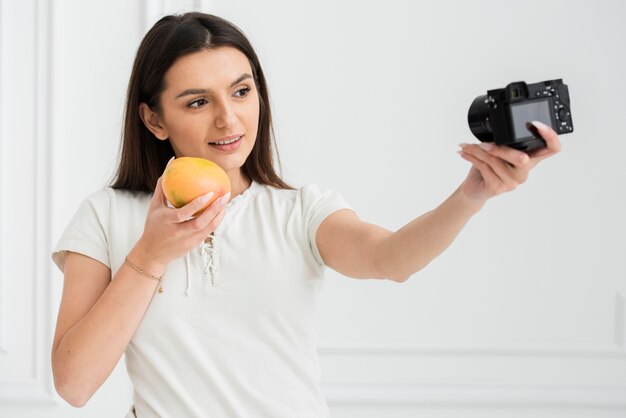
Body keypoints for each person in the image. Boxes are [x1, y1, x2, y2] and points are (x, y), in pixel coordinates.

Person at [50, 12, 561, 418]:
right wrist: (150, 254)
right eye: (198, 101)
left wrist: (471, 194)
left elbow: (390, 259)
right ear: (153, 119)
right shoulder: (106, 216)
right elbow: (74, 385)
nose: (229, 118)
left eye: (242, 91)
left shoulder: (299, 210)